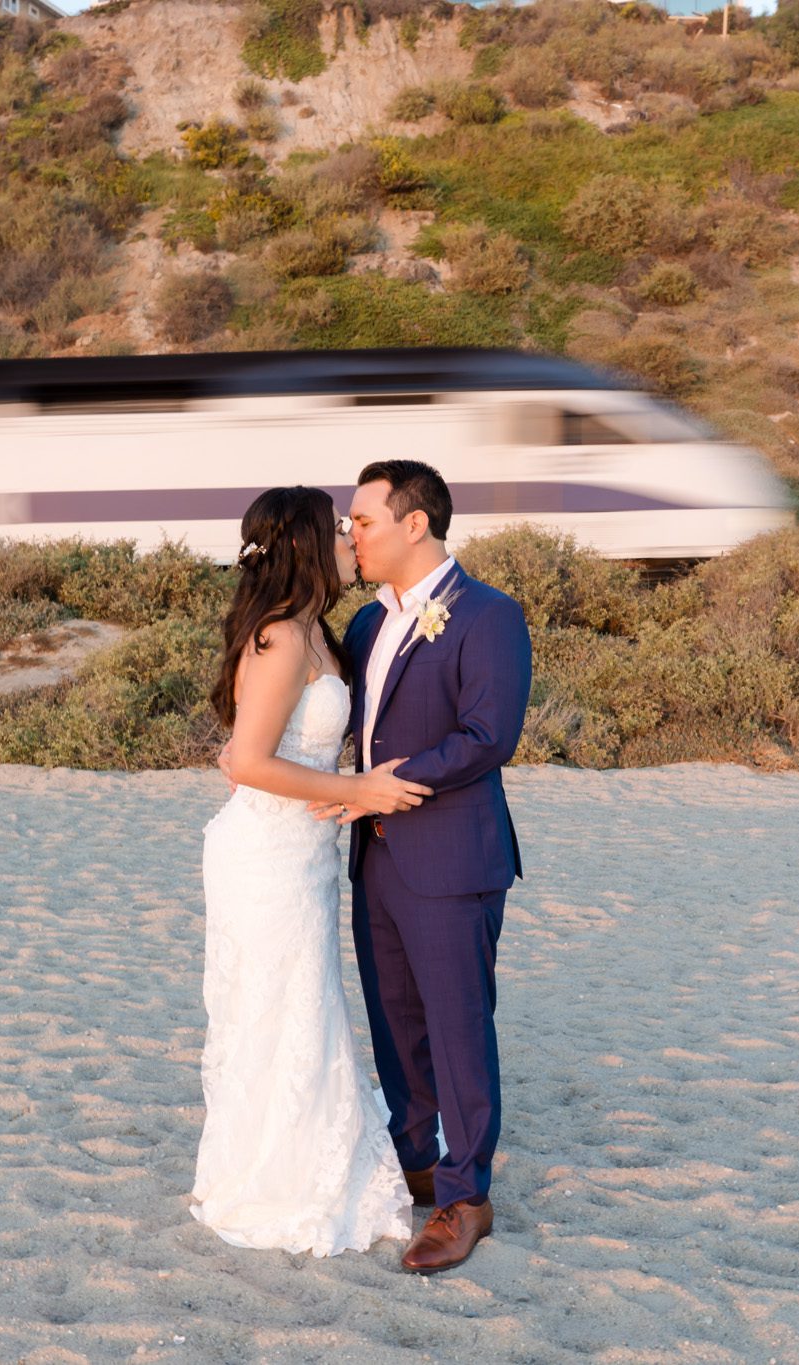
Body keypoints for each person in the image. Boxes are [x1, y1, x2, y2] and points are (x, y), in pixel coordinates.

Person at [222, 460, 533, 1274]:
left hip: (451, 851)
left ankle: (466, 1195)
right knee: (396, 1023)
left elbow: (487, 735)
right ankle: (415, 1158)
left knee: (458, 1022)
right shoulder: (356, 627)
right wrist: (354, 796)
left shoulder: (488, 616)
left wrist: (380, 792)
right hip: (369, 861)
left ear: (415, 524)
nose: (351, 533)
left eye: (362, 520)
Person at [189, 485, 431, 1257]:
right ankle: (273, 1181)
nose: (346, 537)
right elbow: (252, 761)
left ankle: (302, 1161)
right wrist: (358, 790)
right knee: (275, 1010)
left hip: (305, 856)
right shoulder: (281, 640)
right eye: (334, 528)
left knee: (304, 1006)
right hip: (265, 856)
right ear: (301, 542)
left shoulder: (319, 632)